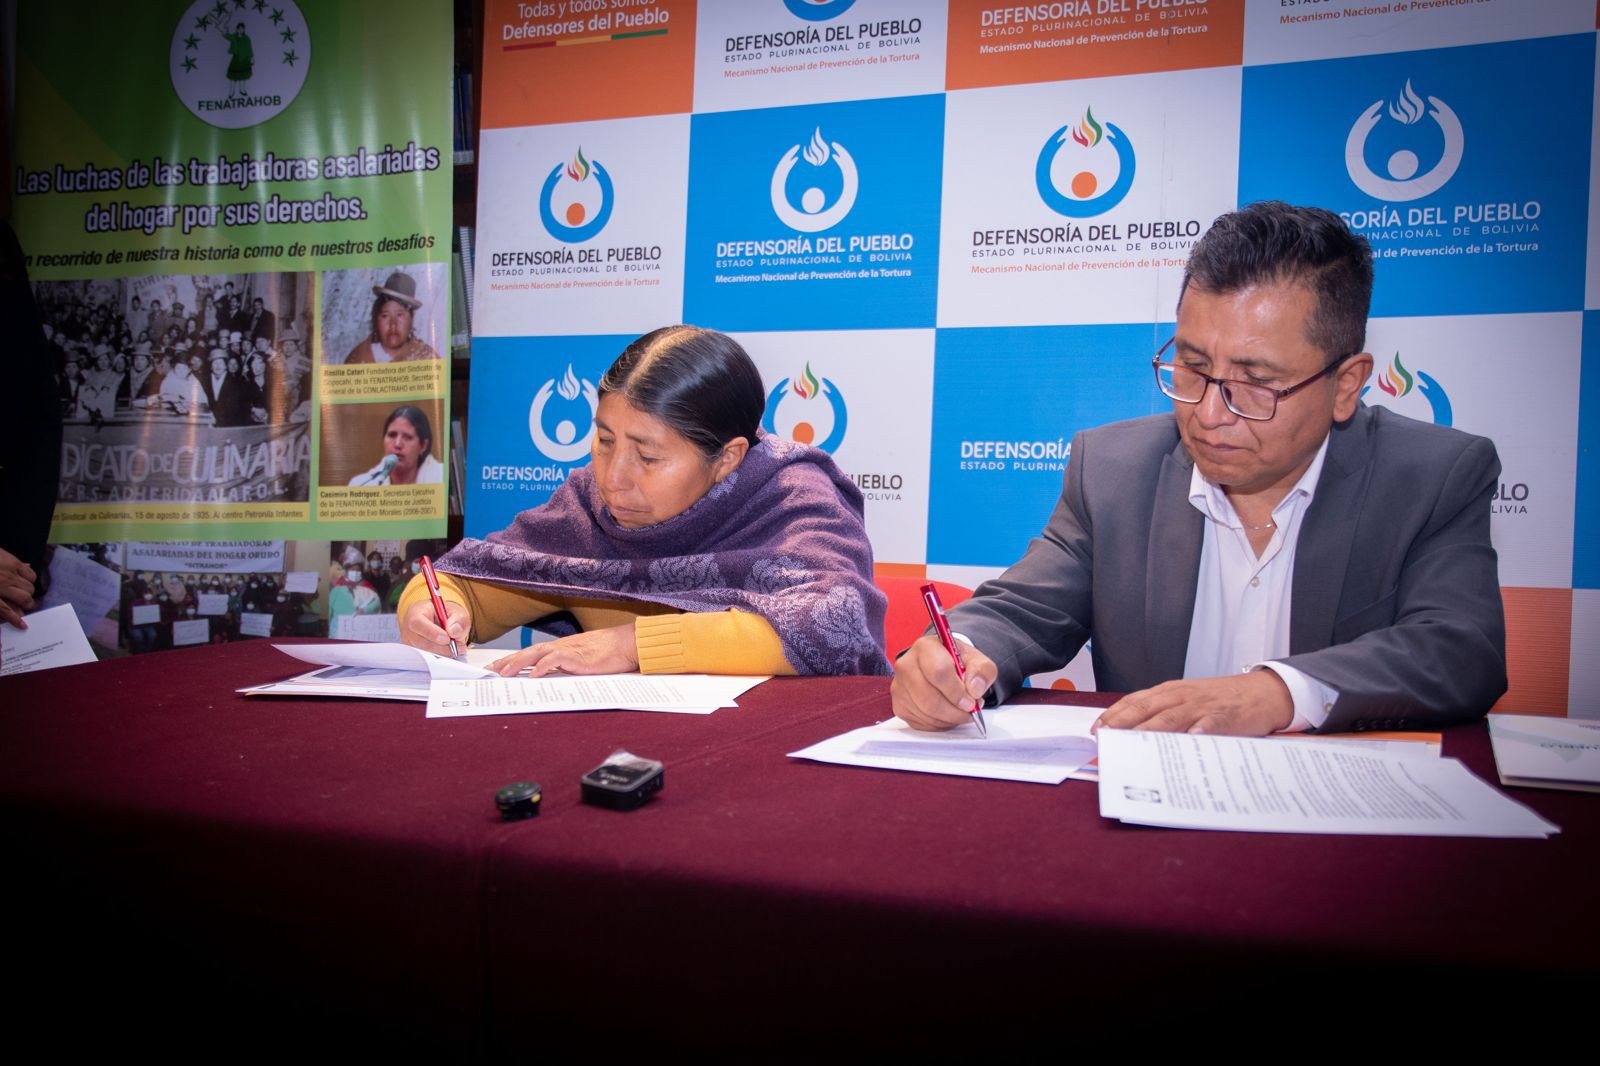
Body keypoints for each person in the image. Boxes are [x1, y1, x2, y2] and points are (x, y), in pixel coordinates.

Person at [891, 202, 1506, 736]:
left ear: (1346, 385)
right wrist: (955, 653)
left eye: (1256, 382)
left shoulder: (1433, 476)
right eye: (1191, 368)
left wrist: (1276, 693)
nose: (1209, 415)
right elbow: (1020, 610)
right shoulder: (1112, 471)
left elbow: (1458, 651)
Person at [397, 325, 888, 678]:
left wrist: (633, 645)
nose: (613, 479)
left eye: (648, 457)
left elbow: (837, 623)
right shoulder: (587, 505)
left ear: (727, 458)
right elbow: (469, 585)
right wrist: (432, 612)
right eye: (605, 441)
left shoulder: (792, 499)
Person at [344, 272, 438, 363]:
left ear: (411, 319)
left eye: (400, 315)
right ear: (376, 318)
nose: (393, 324)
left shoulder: (427, 359)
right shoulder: (356, 359)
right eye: (385, 316)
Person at [348, 405, 444, 486]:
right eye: (392, 435)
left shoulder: (442, 478)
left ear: (423, 446)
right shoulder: (361, 485)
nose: (398, 444)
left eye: (407, 437)